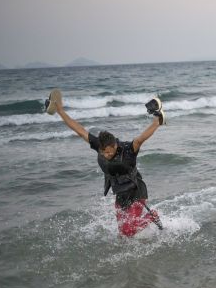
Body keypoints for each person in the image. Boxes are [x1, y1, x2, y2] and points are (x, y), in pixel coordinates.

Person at [47, 89, 164, 237]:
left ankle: (151, 215)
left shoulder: (128, 149)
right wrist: (60, 110)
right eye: (103, 152)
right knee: (122, 232)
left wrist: (158, 121)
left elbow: (141, 138)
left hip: (136, 192)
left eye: (109, 152)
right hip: (120, 194)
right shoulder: (100, 145)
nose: (106, 155)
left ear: (115, 145)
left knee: (129, 231)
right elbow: (79, 130)